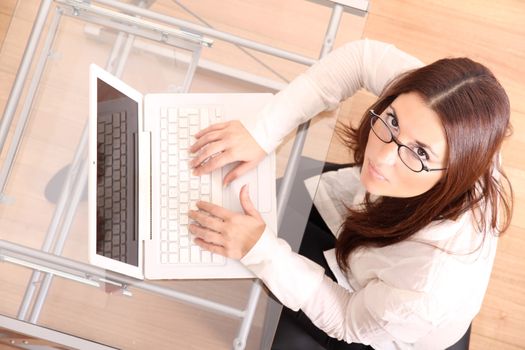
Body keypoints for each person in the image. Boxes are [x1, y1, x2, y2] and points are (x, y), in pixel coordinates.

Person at [186, 39, 513, 349]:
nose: (381, 158)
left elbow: (346, 319)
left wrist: (261, 251)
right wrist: (263, 130)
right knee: (261, 203)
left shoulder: (427, 286)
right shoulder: (438, 108)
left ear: (456, 172)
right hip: (373, 232)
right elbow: (361, 58)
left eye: (420, 153)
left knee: (259, 256)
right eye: (392, 121)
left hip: (380, 329)